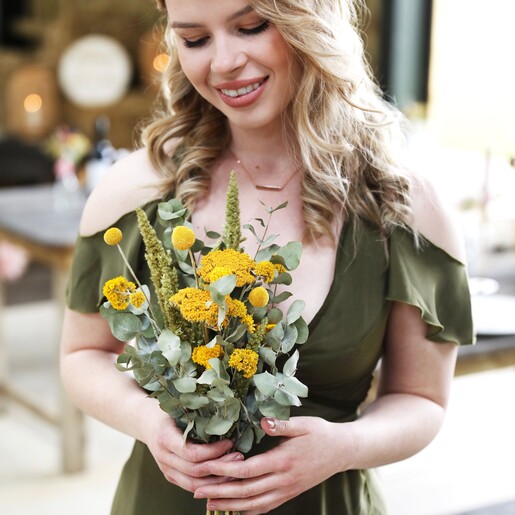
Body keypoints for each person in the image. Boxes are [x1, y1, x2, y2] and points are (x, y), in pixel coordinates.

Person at [59, 0, 475, 513]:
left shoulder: (406, 205)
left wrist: (345, 447)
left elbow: (422, 399)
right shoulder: (136, 188)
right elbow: (82, 355)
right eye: (195, 40)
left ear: (312, 21)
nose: (224, 62)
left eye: (251, 27)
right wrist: (146, 421)